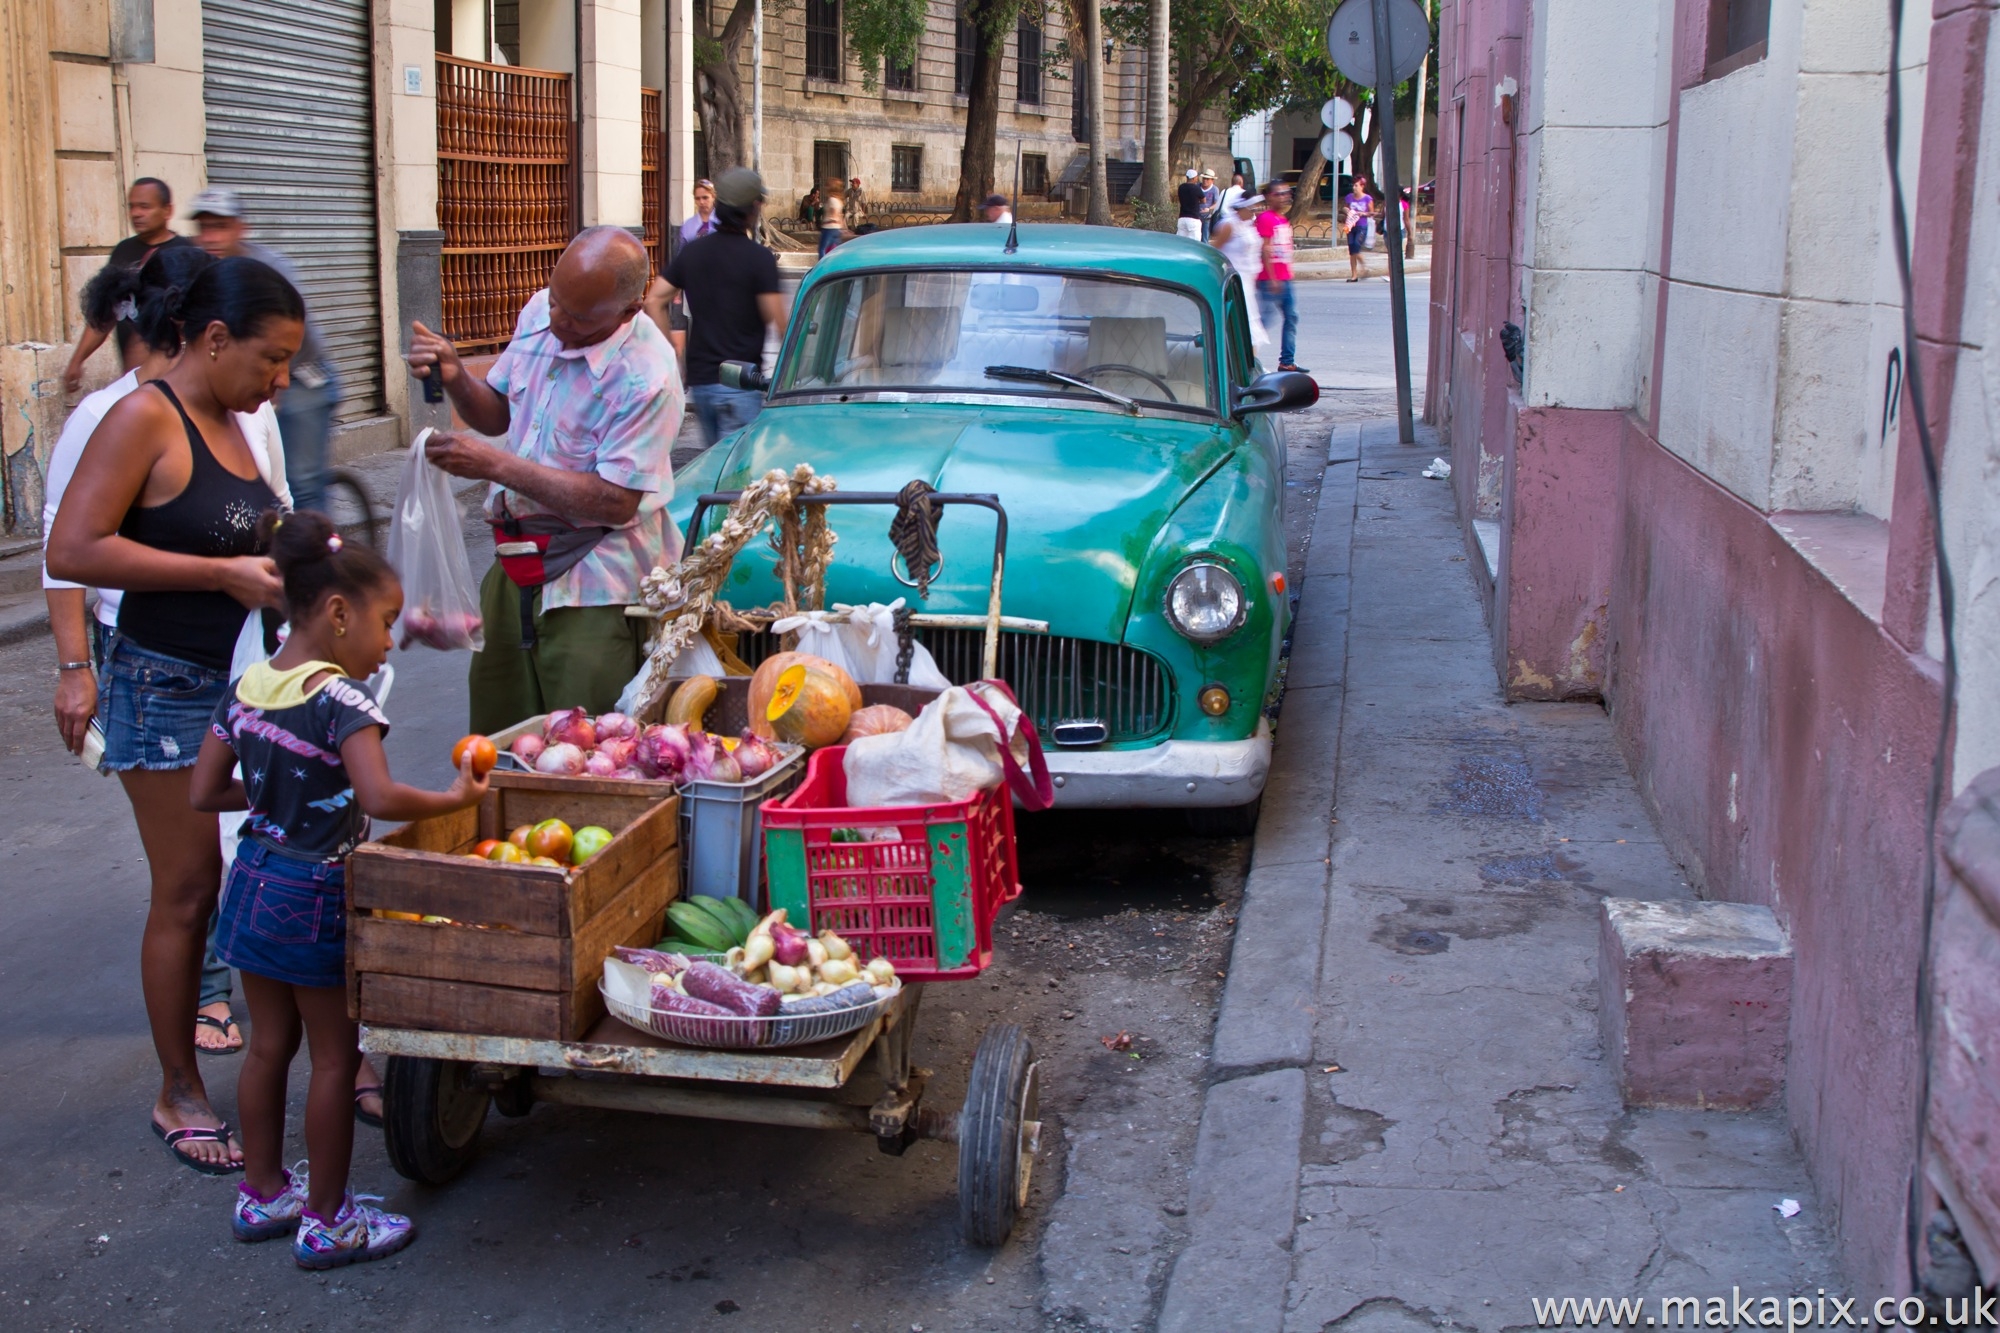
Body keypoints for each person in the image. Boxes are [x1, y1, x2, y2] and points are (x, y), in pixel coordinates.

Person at [46, 257, 304, 1174]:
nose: (280, 382)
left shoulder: (235, 420)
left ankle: (308, 1057)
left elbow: (256, 533)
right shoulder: (142, 416)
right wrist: (217, 576)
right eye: (270, 360)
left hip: (243, 681)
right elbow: (72, 546)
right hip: (162, 684)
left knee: (272, 864)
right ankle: (177, 1090)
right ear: (213, 337)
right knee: (190, 888)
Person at [192, 508, 487, 1267]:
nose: (389, 641)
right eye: (386, 622)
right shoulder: (341, 700)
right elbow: (380, 796)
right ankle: (329, 1219)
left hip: (253, 877)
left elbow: (203, 791)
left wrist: (274, 793)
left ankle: (262, 1191)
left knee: (266, 1048)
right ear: (336, 611)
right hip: (318, 887)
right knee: (332, 1056)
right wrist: (455, 799)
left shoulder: (249, 686)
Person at [405, 227, 684, 736]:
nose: (558, 321)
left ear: (629, 309)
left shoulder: (648, 375)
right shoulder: (541, 312)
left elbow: (616, 502)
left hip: (596, 581)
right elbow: (495, 416)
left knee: (586, 748)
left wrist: (494, 466)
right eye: (556, 302)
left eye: (578, 317)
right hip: (515, 560)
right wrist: (455, 377)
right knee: (498, 742)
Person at [187, 187, 340, 517]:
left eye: (220, 227)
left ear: (240, 228)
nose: (211, 237)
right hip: (245, 379)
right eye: (204, 228)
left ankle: (318, 561)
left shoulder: (270, 268)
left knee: (301, 484)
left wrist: (273, 382)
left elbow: (299, 337)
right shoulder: (199, 270)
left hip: (301, 376)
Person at [656, 168, 786, 449]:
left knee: (713, 466)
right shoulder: (759, 259)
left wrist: (670, 350)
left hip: (702, 382)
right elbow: (778, 322)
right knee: (735, 476)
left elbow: (653, 300)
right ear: (754, 208)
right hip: (740, 384)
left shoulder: (693, 252)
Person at [62, 179, 195, 395]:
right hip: (134, 380)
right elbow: (105, 315)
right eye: (131, 206)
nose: (136, 213)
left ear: (167, 210)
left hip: (177, 381)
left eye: (145, 206)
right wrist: (77, 360)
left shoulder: (185, 254)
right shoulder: (123, 252)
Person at [1255, 183, 1306, 374]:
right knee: (1264, 320)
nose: (1284, 197)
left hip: (1285, 278)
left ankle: (1287, 361)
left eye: (1287, 193)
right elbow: (1265, 248)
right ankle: (1246, 354)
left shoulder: (1282, 220)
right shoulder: (1266, 219)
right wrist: (1273, 277)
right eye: (1279, 193)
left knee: (1291, 317)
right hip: (1271, 279)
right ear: (1269, 196)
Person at [1209, 192, 1269, 349]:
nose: (1254, 212)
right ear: (1242, 208)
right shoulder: (1229, 225)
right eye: (1251, 209)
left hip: (1248, 279)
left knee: (1251, 321)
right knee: (1245, 321)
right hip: (1236, 279)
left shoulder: (1249, 225)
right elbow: (1214, 249)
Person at [1343, 175, 1374, 282]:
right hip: (1350, 225)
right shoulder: (1349, 197)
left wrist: (1363, 213)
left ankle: (1364, 267)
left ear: (1362, 186)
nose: (1354, 188)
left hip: (1362, 225)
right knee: (1352, 249)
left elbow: (1371, 213)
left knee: (1356, 246)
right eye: (1353, 185)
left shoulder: (1367, 199)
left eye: (1356, 185)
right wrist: (1346, 210)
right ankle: (1354, 274)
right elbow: (1345, 207)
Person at [678, 179, 718, 245]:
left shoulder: (723, 222)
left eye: (705, 198)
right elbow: (682, 252)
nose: (701, 202)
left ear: (713, 197)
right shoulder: (687, 225)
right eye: (697, 198)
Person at [818, 180, 845, 258]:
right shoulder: (839, 200)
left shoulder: (831, 200)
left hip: (828, 228)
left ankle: (822, 267)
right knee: (834, 250)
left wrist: (826, 221)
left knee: (822, 249)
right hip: (836, 229)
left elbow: (834, 213)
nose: (825, 188)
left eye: (828, 186)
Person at [1176, 169, 1206, 240]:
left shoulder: (1181, 187)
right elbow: (1204, 200)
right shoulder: (1196, 188)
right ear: (1193, 178)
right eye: (1196, 177)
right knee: (1194, 243)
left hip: (1182, 218)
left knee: (1181, 241)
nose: (1197, 178)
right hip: (1193, 219)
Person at [1198, 168, 1221, 240]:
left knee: (1204, 238)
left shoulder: (1215, 189)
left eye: (1207, 179)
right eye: (1204, 178)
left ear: (1212, 180)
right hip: (1196, 216)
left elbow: (1216, 203)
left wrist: (1209, 209)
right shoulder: (1197, 186)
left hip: (1206, 217)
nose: (1205, 181)